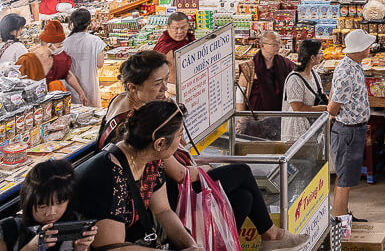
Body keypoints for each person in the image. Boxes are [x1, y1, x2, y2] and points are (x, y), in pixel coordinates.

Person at [97, 51, 306, 249]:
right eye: (157, 84)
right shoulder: (140, 127)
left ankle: (229, 243)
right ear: (133, 87)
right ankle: (271, 235)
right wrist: (210, 166)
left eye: (165, 81)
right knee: (241, 172)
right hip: (165, 193)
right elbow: (178, 175)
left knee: (244, 199)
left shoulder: (122, 102)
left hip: (165, 188)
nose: (164, 89)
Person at [73, 101, 203, 251]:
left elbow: (162, 210)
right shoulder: (107, 175)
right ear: (159, 144)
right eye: (179, 135)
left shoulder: (152, 160)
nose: (181, 141)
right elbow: (111, 247)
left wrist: (191, 245)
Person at [328, 29, 375, 235]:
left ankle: (344, 215)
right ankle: (340, 227)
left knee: (344, 177)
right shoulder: (347, 71)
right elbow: (333, 107)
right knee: (344, 181)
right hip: (347, 132)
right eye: (367, 45)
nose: (370, 47)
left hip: (353, 130)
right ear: (359, 49)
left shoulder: (353, 65)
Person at [0, 159, 97, 251]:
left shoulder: (77, 224)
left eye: (59, 203)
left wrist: (80, 248)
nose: (51, 213)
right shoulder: (7, 229)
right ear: (28, 202)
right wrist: (30, 248)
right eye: (42, 206)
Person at [236, 30, 296, 139]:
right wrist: (241, 119)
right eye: (274, 44)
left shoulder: (284, 64)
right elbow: (240, 96)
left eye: (279, 43)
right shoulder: (249, 67)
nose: (278, 46)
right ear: (262, 45)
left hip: (279, 118)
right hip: (256, 120)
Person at [18, 22, 84, 97]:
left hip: (53, 102)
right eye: (59, 45)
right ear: (49, 45)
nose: (61, 48)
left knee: (56, 84)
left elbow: (67, 74)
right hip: (32, 101)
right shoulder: (26, 60)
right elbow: (17, 85)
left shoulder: (59, 58)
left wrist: (81, 93)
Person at [281, 39, 326, 143]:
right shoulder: (294, 79)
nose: (322, 55)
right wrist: (323, 108)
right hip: (297, 133)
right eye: (320, 52)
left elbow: (320, 95)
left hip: (312, 128)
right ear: (312, 57)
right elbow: (298, 108)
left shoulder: (314, 74)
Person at [62, 8, 104, 108]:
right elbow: (100, 64)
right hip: (90, 86)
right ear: (89, 23)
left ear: (72, 23)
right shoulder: (95, 41)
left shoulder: (65, 42)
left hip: (71, 88)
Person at [153, 12, 194, 80]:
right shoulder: (167, 48)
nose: (180, 31)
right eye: (175, 28)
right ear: (168, 27)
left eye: (183, 27)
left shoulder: (187, 37)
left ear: (188, 26)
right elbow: (171, 79)